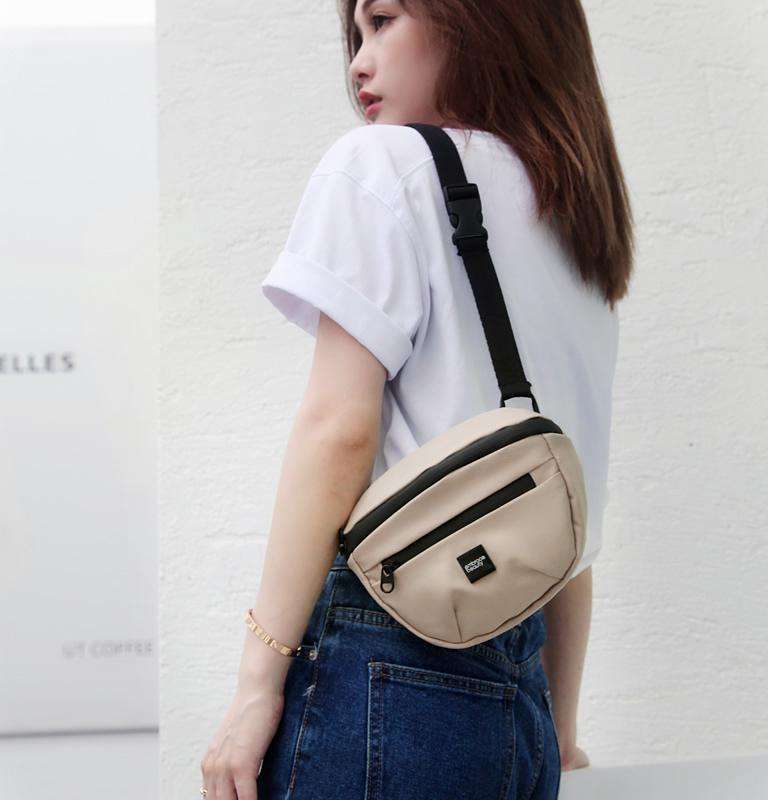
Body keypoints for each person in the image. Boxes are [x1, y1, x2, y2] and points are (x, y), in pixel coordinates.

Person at [199, 0, 633, 798]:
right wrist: (560, 734)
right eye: (357, 34)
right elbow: (570, 527)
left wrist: (257, 685)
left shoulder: (383, 164)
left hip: (387, 662)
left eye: (384, 19)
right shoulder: (575, 217)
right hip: (523, 702)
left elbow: (337, 431)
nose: (359, 61)